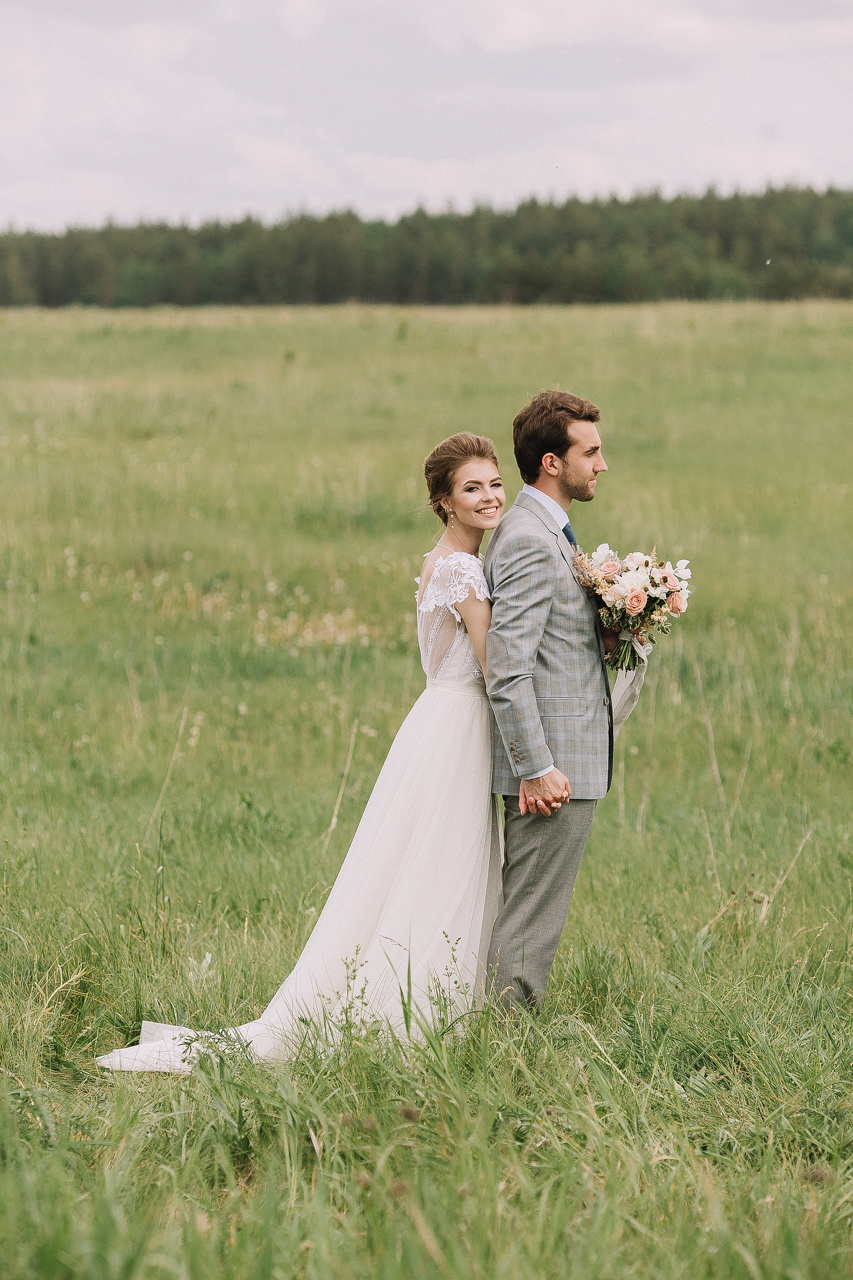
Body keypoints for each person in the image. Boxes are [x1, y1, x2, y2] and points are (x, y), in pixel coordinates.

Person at [96, 432, 506, 1073]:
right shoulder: (461, 568)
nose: (489, 498)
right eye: (472, 488)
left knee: (420, 860)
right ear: (444, 502)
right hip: (458, 727)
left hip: (437, 722)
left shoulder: (442, 561)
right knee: (442, 860)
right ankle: (419, 1013)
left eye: (494, 484)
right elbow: (492, 663)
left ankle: (431, 1003)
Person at [484, 389, 614, 1014]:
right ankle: (503, 1043)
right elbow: (507, 670)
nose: (602, 464)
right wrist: (536, 768)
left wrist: (619, 628)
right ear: (551, 463)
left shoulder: (549, 531)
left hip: (563, 762)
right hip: (550, 770)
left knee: (534, 911)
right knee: (531, 916)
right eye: (590, 452)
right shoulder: (531, 539)